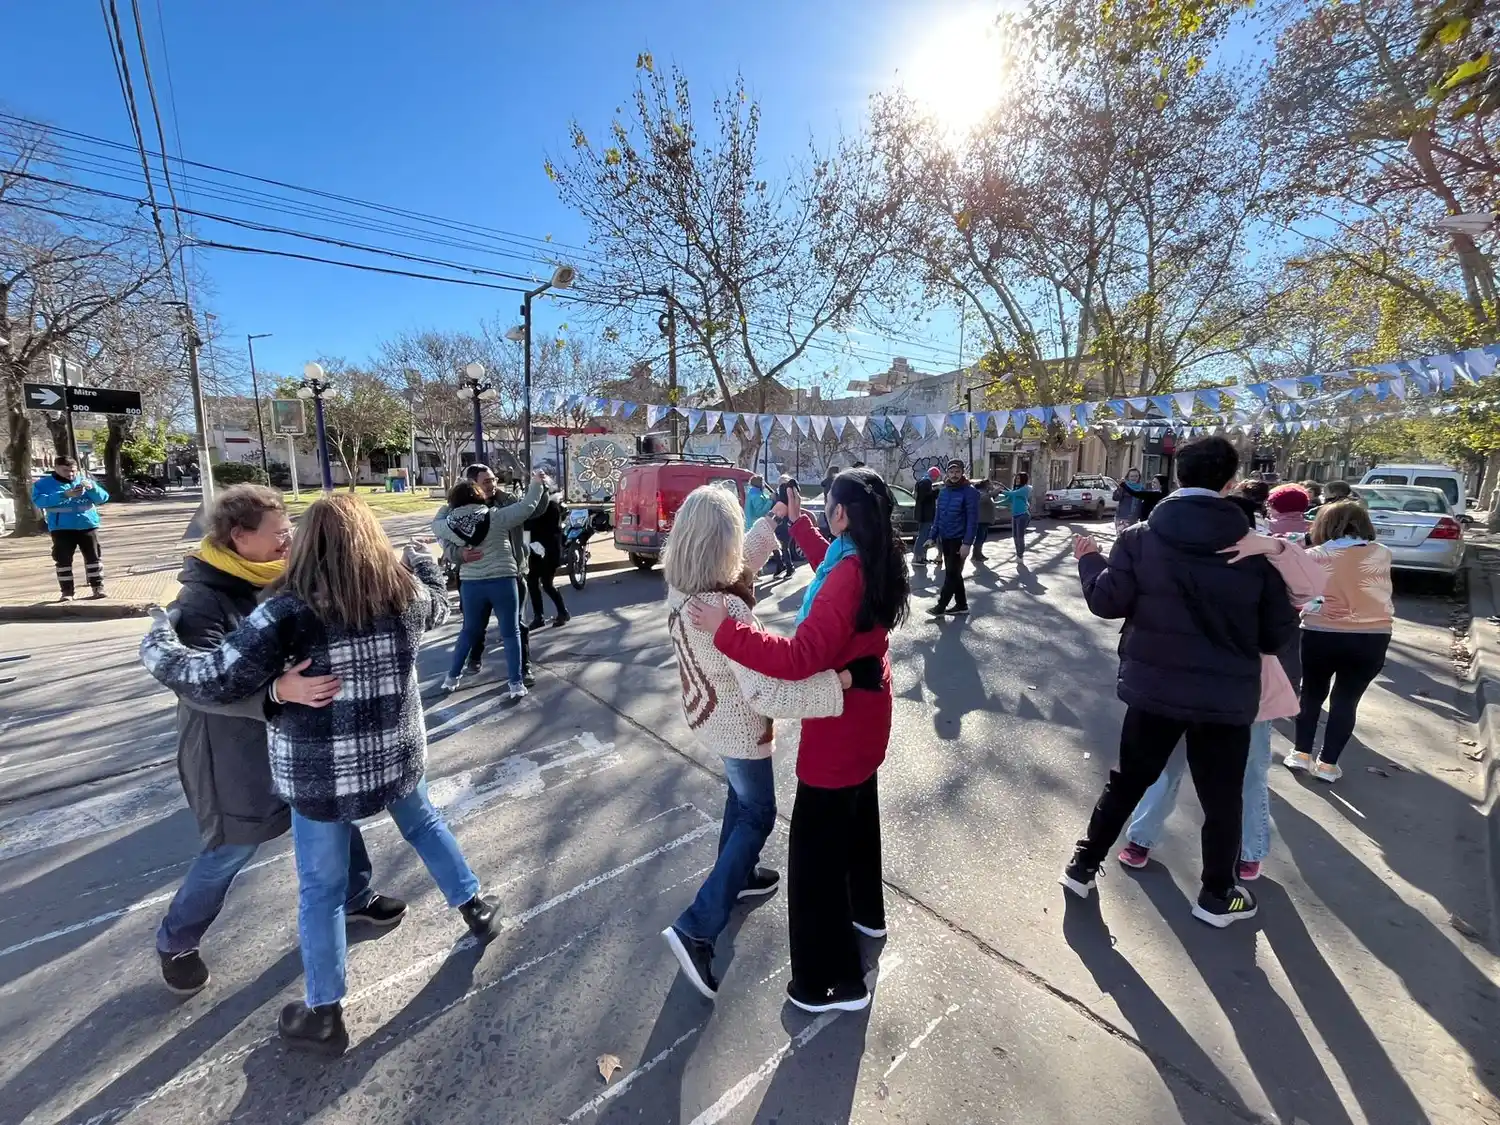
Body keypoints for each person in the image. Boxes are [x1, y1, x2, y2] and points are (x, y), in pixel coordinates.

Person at [139, 494, 501, 1055]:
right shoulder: (402, 594)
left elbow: (210, 678)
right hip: (395, 757)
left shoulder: (287, 612)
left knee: (321, 891)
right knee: (425, 825)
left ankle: (325, 1013)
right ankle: (475, 908)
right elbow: (438, 605)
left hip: (321, 774)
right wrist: (422, 560)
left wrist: (158, 639)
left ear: (309, 543)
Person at [153, 485, 406, 996]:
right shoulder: (203, 598)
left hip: (295, 735)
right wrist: (274, 690)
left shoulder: (284, 577)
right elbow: (202, 684)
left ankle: (355, 896)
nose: (289, 542)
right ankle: (177, 940)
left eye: (291, 532)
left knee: (331, 814)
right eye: (279, 534)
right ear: (239, 537)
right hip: (235, 748)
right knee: (233, 847)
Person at [687, 467, 909, 1013]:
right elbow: (831, 578)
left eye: (825, 504)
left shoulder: (847, 574)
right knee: (857, 829)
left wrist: (727, 630)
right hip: (867, 713)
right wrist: (799, 525)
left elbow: (798, 658)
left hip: (839, 730)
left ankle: (830, 983)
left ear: (842, 514)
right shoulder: (870, 553)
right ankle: (867, 917)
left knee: (814, 861)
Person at [1062, 435, 1300, 928]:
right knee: (1222, 798)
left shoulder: (1139, 538)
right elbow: (1276, 636)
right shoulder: (1255, 550)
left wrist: (1089, 560)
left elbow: (1106, 601)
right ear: (1229, 482)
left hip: (1154, 690)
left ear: (1177, 476)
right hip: (1225, 696)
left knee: (1129, 781)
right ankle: (1216, 895)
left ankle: (1083, 865)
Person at [1119, 531, 1326, 882]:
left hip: (1239, 687)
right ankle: (1142, 837)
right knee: (1168, 767)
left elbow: (1310, 588)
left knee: (1245, 771)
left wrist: (1276, 547)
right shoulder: (1175, 548)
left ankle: (1247, 850)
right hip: (1189, 683)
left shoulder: (1257, 554)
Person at [1286, 500, 1394, 782]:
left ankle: (1300, 753)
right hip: (1373, 635)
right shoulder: (1382, 553)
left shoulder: (1312, 556)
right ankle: (1328, 765)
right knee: (1346, 700)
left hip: (1321, 632)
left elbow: (1296, 594)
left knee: (1311, 694)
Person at [432, 471, 546, 696]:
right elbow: (527, 507)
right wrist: (536, 484)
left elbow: (435, 523)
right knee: (511, 632)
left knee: (468, 631)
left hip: (471, 583)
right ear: (479, 495)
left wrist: (449, 505)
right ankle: (516, 684)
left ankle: (451, 678)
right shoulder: (496, 516)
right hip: (503, 579)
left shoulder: (449, 524)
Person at [31, 457, 109, 600]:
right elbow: (40, 501)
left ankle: (98, 588)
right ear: (56, 468)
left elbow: (103, 498)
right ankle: (67, 592)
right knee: (63, 560)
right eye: (65, 470)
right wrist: (64, 495)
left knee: (94, 558)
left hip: (87, 525)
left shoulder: (84, 480)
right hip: (61, 528)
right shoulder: (43, 484)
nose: (70, 474)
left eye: (73, 471)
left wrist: (93, 489)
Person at [925, 460, 980, 617]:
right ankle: (962, 605)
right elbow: (938, 516)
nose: (954, 475)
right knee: (954, 573)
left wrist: (967, 543)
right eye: (951, 472)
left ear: (962, 472)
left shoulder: (970, 492)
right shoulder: (944, 491)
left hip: (959, 540)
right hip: (945, 538)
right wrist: (932, 536)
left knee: (951, 574)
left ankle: (941, 606)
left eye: (957, 472)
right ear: (947, 473)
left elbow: (972, 520)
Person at [524, 483, 569, 628]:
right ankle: (539, 617)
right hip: (534, 551)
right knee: (532, 583)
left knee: (547, 584)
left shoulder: (551, 507)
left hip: (548, 552)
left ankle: (562, 612)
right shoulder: (530, 507)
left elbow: (550, 531)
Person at [997, 472, 1033, 559]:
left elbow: (1013, 494)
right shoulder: (1016, 489)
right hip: (1015, 515)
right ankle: (1018, 554)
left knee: (1020, 537)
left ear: (1023, 480)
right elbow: (1008, 500)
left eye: (1019, 478)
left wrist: (1001, 491)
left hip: (1023, 515)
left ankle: (1020, 555)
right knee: (1015, 536)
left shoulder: (1025, 488)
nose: (1017, 480)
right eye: (1016, 478)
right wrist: (995, 503)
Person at [912, 466, 940, 564]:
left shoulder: (922, 481)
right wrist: (936, 492)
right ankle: (917, 557)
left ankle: (921, 557)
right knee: (923, 536)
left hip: (922, 513)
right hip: (926, 514)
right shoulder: (926, 482)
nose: (937, 479)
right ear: (934, 476)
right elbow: (925, 497)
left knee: (924, 535)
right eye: (937, 476)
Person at [974, 479, 998, 564]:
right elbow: (984, 498)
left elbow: (991, 498)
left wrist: (995, 493)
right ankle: (977, 555)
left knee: (982, 537)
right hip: (981, 520)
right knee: (980, 538)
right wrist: (994, 492)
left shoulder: (987, 493)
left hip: (985, 520)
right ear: (986, 485)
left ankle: (977, 554)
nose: (992, 486)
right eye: (990, 484)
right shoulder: (981, 492)